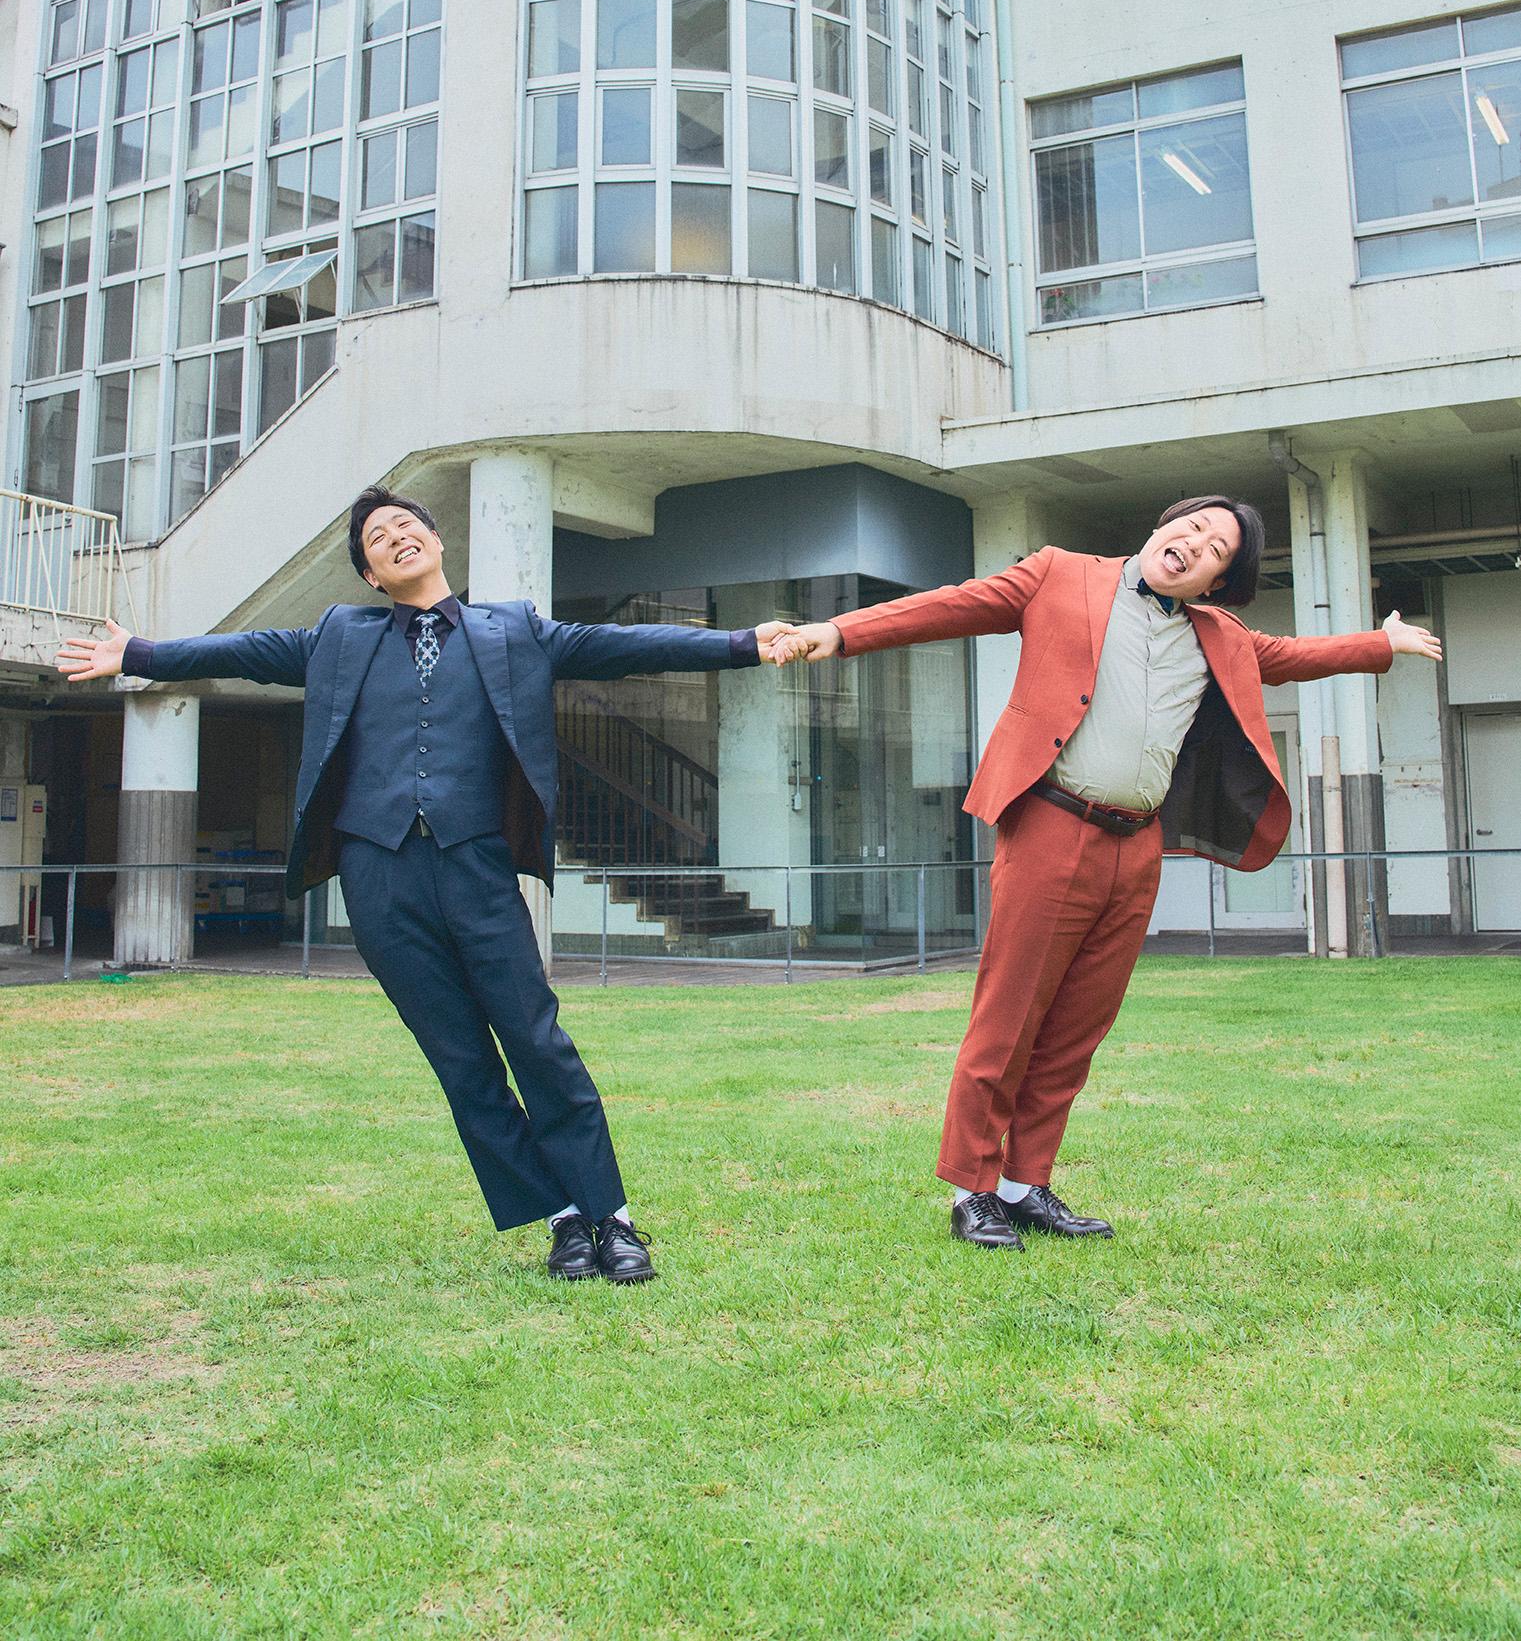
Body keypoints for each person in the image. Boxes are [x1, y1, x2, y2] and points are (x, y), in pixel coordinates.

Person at [57, 484, 789, 1285]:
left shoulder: (514, 630)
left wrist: (741, 642)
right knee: (461, 1059)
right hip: (378, 876)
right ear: (371, 575)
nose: (396, 535)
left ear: (437, 543)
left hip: (477, 866)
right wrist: (139, 654)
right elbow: (243, 652)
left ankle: (610, 1218)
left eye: (406, 524)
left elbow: (624, 645)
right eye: (378, 537)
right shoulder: (339, 636)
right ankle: (561, 1219)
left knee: (536, 1039)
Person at [770, 496, 1442, 1251]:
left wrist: (1381, 643)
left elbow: (1290, 657)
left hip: (1136, 845)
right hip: (1050, 826)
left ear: (1218, 583)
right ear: (1162, 524)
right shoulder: (1059, 574)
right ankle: (972, 1190)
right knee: (1009, 1018)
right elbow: (951, 607)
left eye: (1216, 549)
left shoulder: (1219, 636)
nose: (1195, 543)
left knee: (1075, 1030)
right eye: (1193, 526)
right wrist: (838, 631)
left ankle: (1025, 1184)